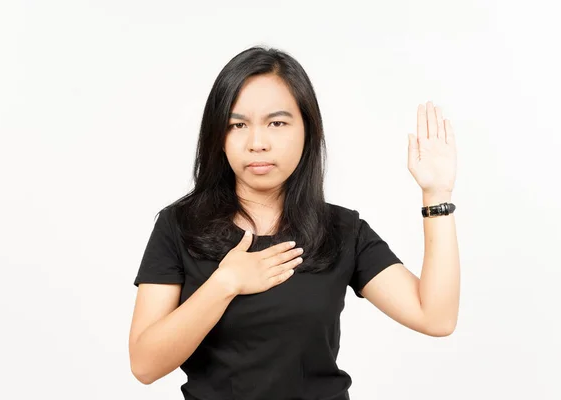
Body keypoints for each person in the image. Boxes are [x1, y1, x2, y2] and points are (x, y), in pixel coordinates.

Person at [128, 46, 460, 399]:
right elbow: (145, 365)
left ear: (307, 130)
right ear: (218, 138)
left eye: (277, 123)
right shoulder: (179, 226)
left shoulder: (340, 230)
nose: (257, 143)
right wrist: (225, 283)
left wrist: (436, 193)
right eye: (238, 125)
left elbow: (435, 317)